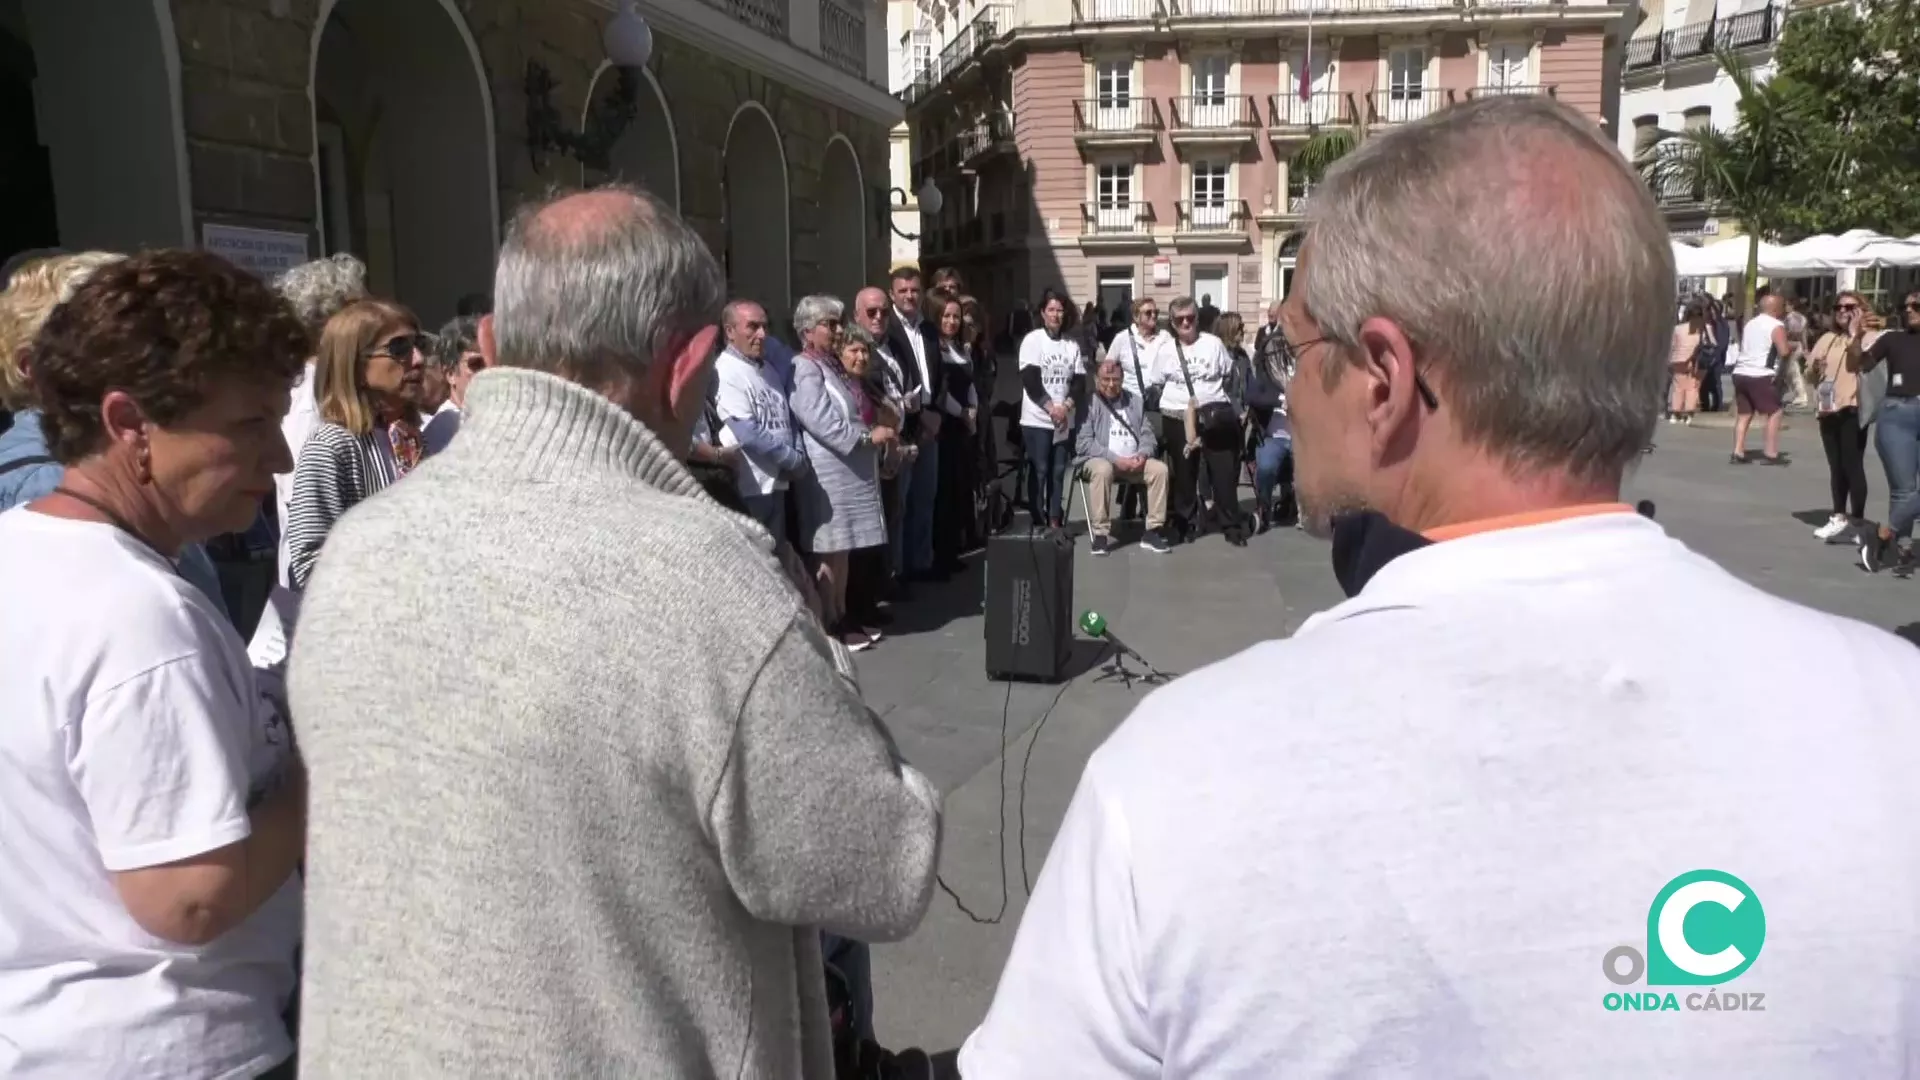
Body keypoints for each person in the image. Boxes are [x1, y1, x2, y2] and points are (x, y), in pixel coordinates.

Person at [959, 94, 1920, 1078]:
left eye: (1298, 348)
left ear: (1383, 377)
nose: (1285, 385)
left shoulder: (1172, 784)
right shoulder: (1894, 719)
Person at [287, 186, 941, 1079]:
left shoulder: (359, 553)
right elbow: (883, 863)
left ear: (487, 348)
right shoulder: (713, 579)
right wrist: (812, 644)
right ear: (689, 363)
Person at [0, 251, 308, 1079]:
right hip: (174, 1045)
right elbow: (190, 895)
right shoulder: (138, 615)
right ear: (130, 423)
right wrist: (323, 774)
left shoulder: (20, 557)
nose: (279, 458)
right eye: (249, 425)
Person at [791, 300, 895, 650]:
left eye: (838, 323)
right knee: (829, 549)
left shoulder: (831, 365)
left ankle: (842, 611)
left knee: (844, 549)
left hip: (851, 468)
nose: (838, 330)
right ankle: (829, 623)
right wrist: (865, 437)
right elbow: (819, 419)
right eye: (829, 324)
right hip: (828, 471)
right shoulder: (804, 367)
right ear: (807, 331)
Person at [1149, 295, 1244, 544]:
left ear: (1197, 318)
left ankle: (1230, 525)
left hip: (1213, 415)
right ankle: (1186, 522)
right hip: (1177, 415)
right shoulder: (1165, 349)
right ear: (1172, 322)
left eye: (1190, 318)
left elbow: (1229, 374)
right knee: (1185, 473)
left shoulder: (1212, 344)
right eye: (1180, 319)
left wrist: (1212, 399)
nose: (1186, 323)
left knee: (1222, 471)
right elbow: (1157, 381)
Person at [715, 299, 808, 538]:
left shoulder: (768, 370)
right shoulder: (725, 370)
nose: (762, 334)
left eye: (765, 327)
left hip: (777, 483)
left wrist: (796, 455)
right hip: (750, 485)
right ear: (730, 331)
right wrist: (791, 459)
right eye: (753, 327)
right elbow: (746, 432)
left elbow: (787, 417)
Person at [883, 267, 944, 582]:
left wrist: (935, 414)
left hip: (931, 422)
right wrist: (919, 417)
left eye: (915, 290)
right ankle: (899, 571)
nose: (910, 296)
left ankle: (922, 564)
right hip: (905, 426)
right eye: (903, 290)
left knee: (925, 498)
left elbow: (939, 375)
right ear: (893, 293)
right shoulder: (888, 329)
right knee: (900, 504)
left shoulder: (930, 330)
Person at [1074, 358, 1170, 555]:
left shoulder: (1134, 401)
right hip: (1102, 461)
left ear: (1123, 379)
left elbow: (1147, 434)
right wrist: (1116, 459)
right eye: (1106, 379)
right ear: (1096, 379)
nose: (1111, 384)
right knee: (1102, 469)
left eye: (1115, 379)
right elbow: (1083, 443)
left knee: (1160, 470)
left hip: (1134, 461)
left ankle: (1153, 530)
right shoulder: (1089, 403)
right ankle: (1100, 534)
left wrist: (1143, 455)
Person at [1806, 291, 1876, 543]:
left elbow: (1856, 361)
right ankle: (1838, 515)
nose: (1843, 311)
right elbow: (1810, 374)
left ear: (1861, 310)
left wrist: (1855, 333)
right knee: (1836, 467)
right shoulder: (1827, 338)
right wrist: (1815, 368)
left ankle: (1857, 520)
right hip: (1827, 408)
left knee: (1852, 465)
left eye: (1850, 307)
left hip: (1853, 407)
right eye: (1838, 307)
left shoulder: (1869, 338)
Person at [1859, 291, 1920, 575]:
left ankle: (1885, 534)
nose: (1909, 310)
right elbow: (1861, 364)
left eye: (1916, 305)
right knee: (1903, 489)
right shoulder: (1893, 339)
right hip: (1898, 414)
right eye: (1905, 306)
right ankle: (1904, 547)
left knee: (1907, 492)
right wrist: (1855, 338)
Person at [1017, 293, 1083, 530]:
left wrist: (1064, 407)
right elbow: (1030, 380)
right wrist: (1050, 408)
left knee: (1057, 472)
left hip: (1064, 419)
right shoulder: (1033, 340)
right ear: (1043, 313)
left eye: (1060, 310)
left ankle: (1055, 517)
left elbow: (1079, 382)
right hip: (1037, 419)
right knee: (1040, 469)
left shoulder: (1071, 344)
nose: (1056, 315)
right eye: (1051, 310)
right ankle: (1038, 517)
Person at [931, 293, 980, 574]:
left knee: (958, 488)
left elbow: (969, 383)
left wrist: (972, 409)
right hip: (946, 425)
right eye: (946, 316)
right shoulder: (935, 349)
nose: (951, 321)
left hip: (963, 425)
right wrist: (961, 412)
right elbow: (942, 390)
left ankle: (953, 550)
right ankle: (940, 556)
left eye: (955, 316)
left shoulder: (960, 348)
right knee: (943, 490)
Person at [1244, 304, 1296, 533]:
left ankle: (1299, 505)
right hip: (1275, 433)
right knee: (1266, 466)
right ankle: (1263, 509)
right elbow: (1252, 395)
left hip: (1304, 435)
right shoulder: (1267, 363)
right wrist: (1280, 399)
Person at [1730, 292, 1789, 464]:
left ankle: (1738, 450)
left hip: (1741, 371)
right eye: (1783, 306)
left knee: (1744, 413)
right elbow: (1783, 351)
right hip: (1761, 373)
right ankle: (1771, 453)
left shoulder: (1750, 324)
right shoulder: (1776, 325)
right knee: (1774, 412)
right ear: (1776, 308)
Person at [422, 315, 483, 456]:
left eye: (492, 362)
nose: (487, 372)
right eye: (477, 364)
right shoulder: (444, 432)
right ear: (450, 374)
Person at [1667, 298, 1712, 425]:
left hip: (1679, 360)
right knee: (1693, 387)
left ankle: (1676, 413)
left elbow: (1673, 346)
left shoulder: (1678, 329)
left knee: (1678, 387)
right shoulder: (1705, 329)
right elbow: (1712, 344)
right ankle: (1689, 413)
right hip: (1697, 361)